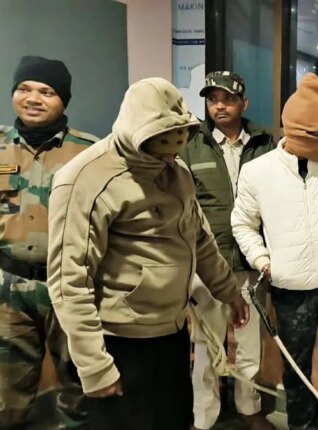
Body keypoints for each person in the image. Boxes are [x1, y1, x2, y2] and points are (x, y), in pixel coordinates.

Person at [46, 77, 250, 430]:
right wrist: (95, 367)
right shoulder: (84, 179)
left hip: (171, 333)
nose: (170, 157)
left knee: (174, 420)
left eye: (176, 145)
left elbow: (199, 239)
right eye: (160, 148)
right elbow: (69, 281)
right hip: (119, 342)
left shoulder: (176, 171)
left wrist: (229, 292)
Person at [232, 73, 318, 430]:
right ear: (293, 131)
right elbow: (242, 224)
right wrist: (263, 261)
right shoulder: (257, 172)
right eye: (315, 134)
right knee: (295, 372)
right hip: (289, 289)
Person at [0, 55, 95, 429]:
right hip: (8, 290)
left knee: (80, 388)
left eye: (46, 91)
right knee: (5, 397)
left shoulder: (90, 153)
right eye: (24, 89)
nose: (33, 99)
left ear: (63, 100)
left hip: (69, 286)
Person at [181, 71, 275, 430]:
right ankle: (204, 416)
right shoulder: (192, 143)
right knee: (207, 343)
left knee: (250, 342)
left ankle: (249, 408)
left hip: (252, 261)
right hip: (208, 263)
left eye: (228, 99)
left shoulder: (264, 143)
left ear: (243, 103)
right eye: (212, 99)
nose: (219, 106)